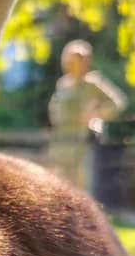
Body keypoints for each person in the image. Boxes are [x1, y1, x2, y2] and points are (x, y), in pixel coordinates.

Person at [47, 39, 127, 192]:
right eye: (70, 60)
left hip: (80, 144)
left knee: (79, 189)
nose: (73, 64)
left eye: (78, 60)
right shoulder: (62, 84)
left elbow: (118, 102)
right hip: (60, 143)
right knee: (57, 187)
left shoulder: (92, 83)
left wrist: (96, 115)